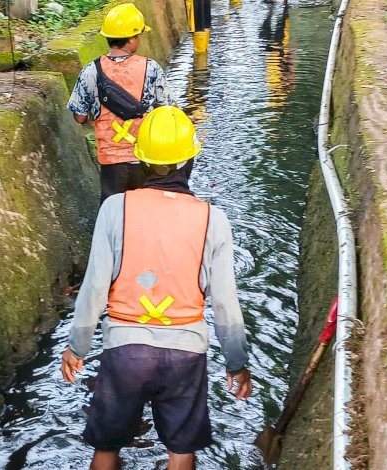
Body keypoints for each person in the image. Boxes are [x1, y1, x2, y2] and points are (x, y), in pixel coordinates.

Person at [59, 106, 252, 470]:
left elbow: (95, 286)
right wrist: (237, 362)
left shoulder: (115, 208)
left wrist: (77, 345)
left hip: (124, 350)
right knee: (181, 451)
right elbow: (226, 303)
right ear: (190, 159)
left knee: (106, 446)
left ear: (142, 160)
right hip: (185, 352)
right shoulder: (214, 219)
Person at [67, 3, 176, 203]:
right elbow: (169, 112)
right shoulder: (151, 68)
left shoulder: (91, 71)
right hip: (145, 157)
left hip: (111, 162)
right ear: (132, 39)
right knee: (145, 211)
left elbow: (79, 116)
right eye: (139, 36)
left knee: (112, 213)